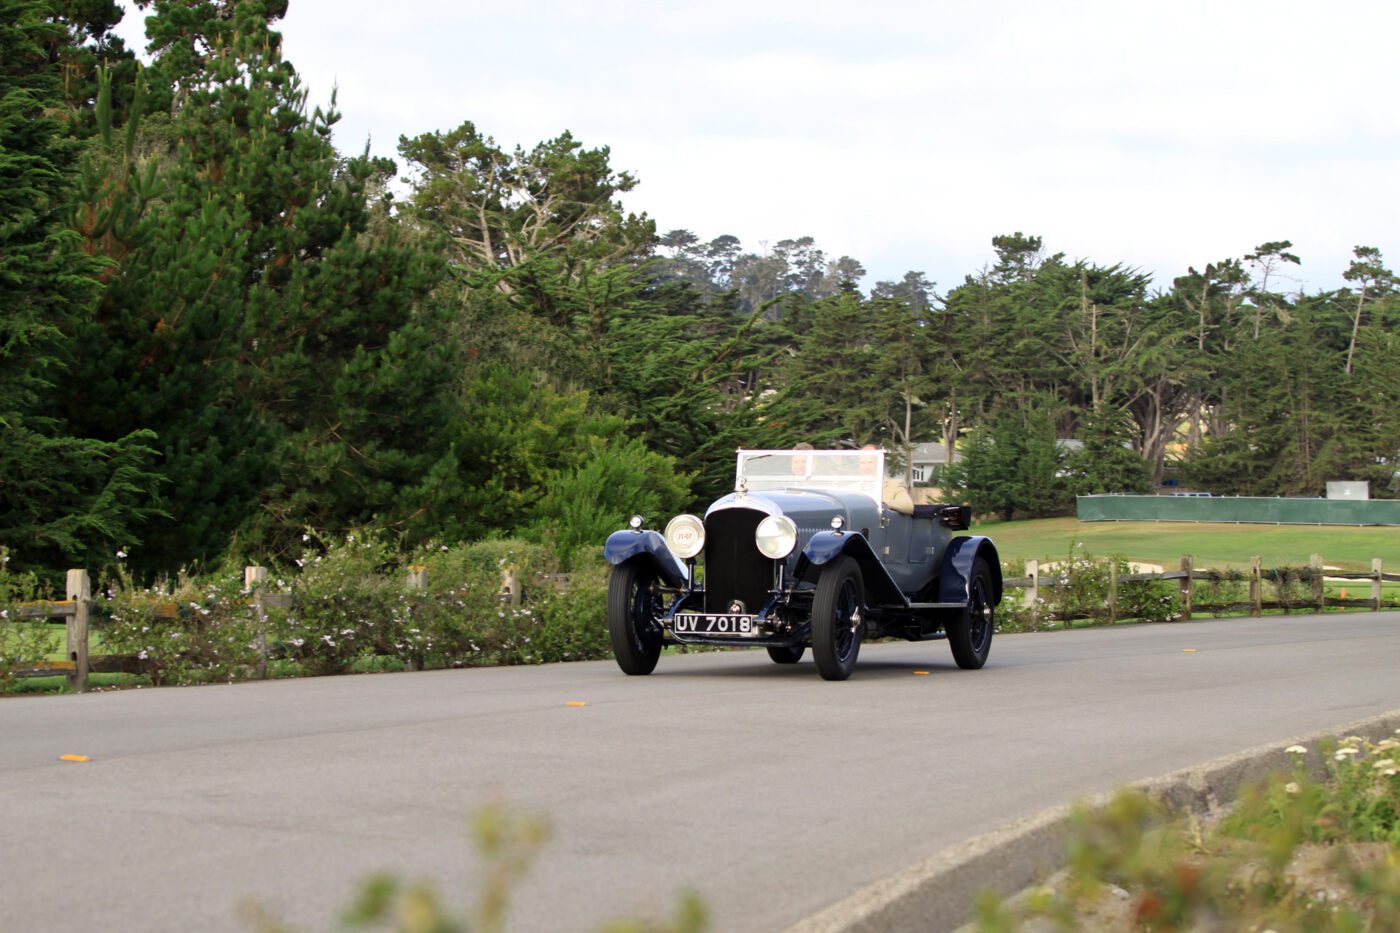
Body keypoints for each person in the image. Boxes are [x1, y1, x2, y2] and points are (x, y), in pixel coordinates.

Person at [859, 444, 914, 515]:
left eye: (870, 462)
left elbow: (908, 506)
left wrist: (881, 503)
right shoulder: (851, 488)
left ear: (880, 462)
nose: (866, 467)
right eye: (862, 463)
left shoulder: (895, 485)